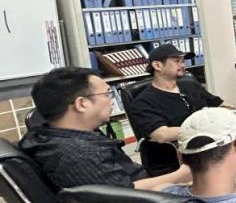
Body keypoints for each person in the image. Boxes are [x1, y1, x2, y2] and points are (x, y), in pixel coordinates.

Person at [20, 67, 191, 192]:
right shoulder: (80, 154)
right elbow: (126, 195)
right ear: (82, 104)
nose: (111, 101)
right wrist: (183, 175)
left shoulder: (46, 135)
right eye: (107, 94)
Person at [125, 44, 236, 185]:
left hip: (214, 142)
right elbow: (162, 134)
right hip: (179, 154)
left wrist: (228, 115)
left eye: (183, 61)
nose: (182, 65)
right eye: (176, 61)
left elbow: (222, 105)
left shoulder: (190, 85)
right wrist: (207, 127)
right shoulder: (144, 102)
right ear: (157, 65)